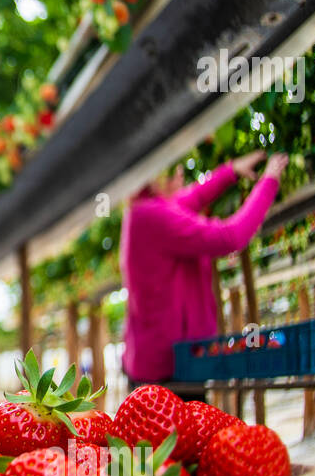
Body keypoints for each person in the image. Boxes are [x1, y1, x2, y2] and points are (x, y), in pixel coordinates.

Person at [120, 150, 288, 398]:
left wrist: (231, 170)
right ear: (159, 178)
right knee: (181, 437)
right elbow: (230, 236)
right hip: (169, 372)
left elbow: (192, 197)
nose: (181, 180)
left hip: (160, 366)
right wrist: (269, 181)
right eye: (177, 173)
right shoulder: (151, 216)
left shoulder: (142, 212)